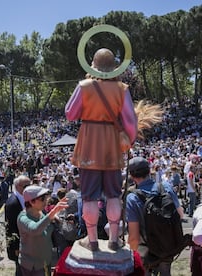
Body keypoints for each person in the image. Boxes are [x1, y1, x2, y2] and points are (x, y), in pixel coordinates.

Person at [65, 48, 137, 251]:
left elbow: (70, 113)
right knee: (114, 194)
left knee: (89, 195)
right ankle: (114, 239)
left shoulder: (84, 86)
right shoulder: (122, 89)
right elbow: (131, 121)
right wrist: (128, 142)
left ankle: (93, 240)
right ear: (114, 68)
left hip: (88, 143)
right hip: (112, 145)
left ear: (92, 65)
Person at [125, 157, 184, 276]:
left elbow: (134, 237)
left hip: (146, 250)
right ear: (149, 171)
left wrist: (131, 255)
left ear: (131, 175)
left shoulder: (132, 198)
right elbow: (180, 214)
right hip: (168, 245)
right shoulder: (165, 187)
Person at [17, 185, 68, 276]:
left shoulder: (41, 213)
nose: (46, 201)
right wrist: (53, 213)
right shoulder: (23, 218)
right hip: (33, 266)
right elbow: (35, 229)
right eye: (43, 199)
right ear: (32, 202)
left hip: (45, 262)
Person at [5, 175, 31, 276]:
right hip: (19, 245)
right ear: (17, 186)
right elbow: (11, 227)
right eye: (26, 185)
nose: (28, 187)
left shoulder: (26, 198)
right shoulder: (12, 203)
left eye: (29, 184)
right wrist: (16, 247)